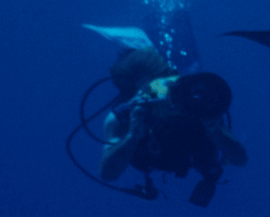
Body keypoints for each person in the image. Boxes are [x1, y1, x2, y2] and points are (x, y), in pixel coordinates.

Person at [96, 47, 247, 206]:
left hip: (192, 155)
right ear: (137, 94)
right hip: (149, 158)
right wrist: (132, 136)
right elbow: (107, 173)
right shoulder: (123, 117)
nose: (170, 100)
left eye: (171, 87)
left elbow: (239, 159)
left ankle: (209, 175)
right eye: (155, 91)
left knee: (210, 165)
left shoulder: (198, 106)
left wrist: (215, 130)